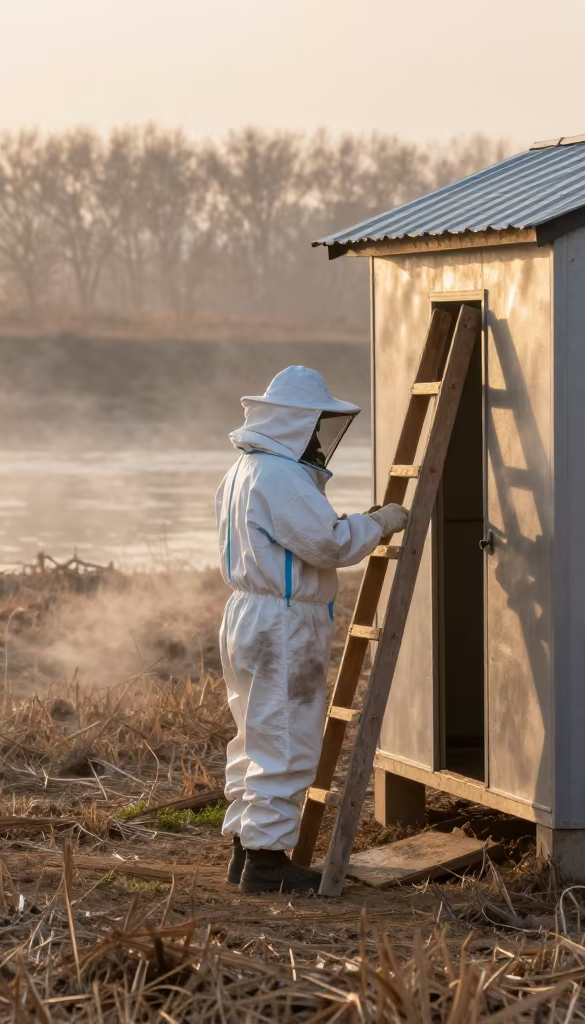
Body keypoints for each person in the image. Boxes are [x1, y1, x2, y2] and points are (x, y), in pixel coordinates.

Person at [216, 366, 408, 894]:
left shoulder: (244, 470)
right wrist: (379, 523)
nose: (320, 441)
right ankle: (266, 863)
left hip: (248, 617)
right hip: (281, 623)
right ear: (293, 424)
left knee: (255, 735)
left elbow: (307, 535)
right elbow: (329, 545)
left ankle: (247, 848)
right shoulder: (279, 476)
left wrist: (357, 522)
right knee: (285, 738)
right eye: (315, 427)